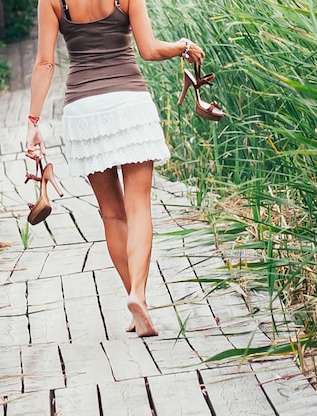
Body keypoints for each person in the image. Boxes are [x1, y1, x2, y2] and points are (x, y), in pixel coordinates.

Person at [24, 0, 206, 337]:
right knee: (138, 209)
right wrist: (182, 46)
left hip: (83, 108)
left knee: (112, 213)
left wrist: (34, 122)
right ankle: (138, 294)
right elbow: (149, 50)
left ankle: (138, 305)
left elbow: (46, 63)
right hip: (128, 103)